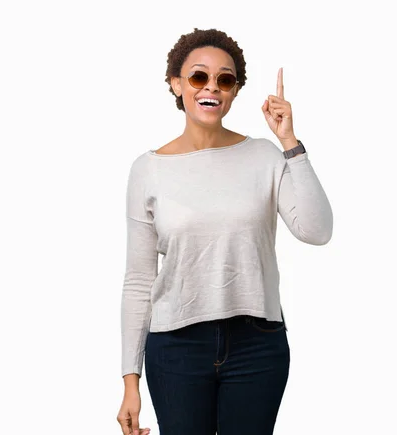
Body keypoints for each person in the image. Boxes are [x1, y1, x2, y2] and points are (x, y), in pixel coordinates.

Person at [116, 27, 333, 435]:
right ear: (176, 84)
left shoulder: (264, 156)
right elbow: (139, 280)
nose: (211, 87)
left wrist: (289, 141)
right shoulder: (148, 170)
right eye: (198, 76)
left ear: (234, 91)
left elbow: (317, 230)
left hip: (257, 342)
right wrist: (130, 380)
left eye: (225, 79)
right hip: (176, 345)